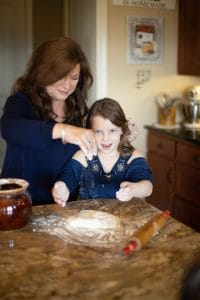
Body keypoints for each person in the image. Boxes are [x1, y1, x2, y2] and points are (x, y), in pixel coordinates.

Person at [0, 36, 97, 205]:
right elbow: (9, 128)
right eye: (61, 76)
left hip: (62, 205)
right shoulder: (21, 102)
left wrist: (122, 135)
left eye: (74, 78)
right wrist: (64, 131)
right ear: (43, 71)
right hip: (19, 204)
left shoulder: (76, 109)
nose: (67, 86)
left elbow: (85, 154)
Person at [52, 97, 153, 207]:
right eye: (98, 132)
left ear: (122, 130)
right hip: (88, 219)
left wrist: (133, 189)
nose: (106, 138)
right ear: (89, 131)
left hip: (125, 221)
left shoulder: (133, 157)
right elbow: (67, 179)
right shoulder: (83, 156)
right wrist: (61, 188)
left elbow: (147, 187)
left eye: (112, 131)